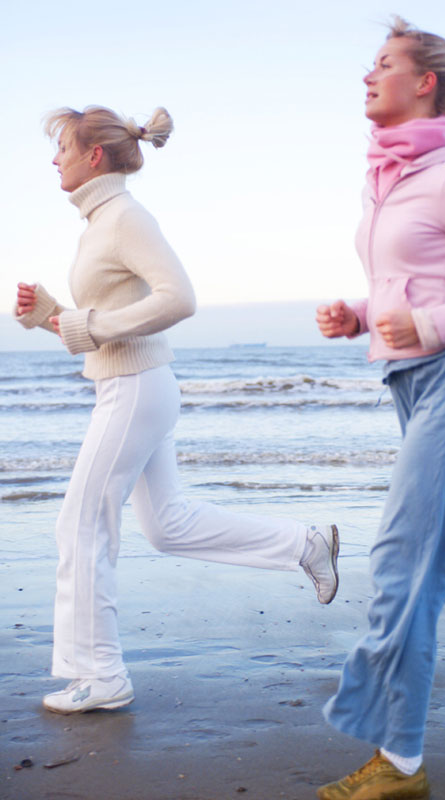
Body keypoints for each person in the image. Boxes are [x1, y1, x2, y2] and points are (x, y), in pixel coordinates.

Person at [15, 104, 339, 716]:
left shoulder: (124, 217)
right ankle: (305, 545)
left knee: (80, 526)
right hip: (136, 384)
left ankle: (101, 675)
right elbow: (107, 322)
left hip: (136, 387)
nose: (52, 158)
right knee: (168, 526)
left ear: (94, 156)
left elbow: (179, 298)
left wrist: (88, 323)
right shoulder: (100, 223)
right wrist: (52, 315)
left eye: (61, 147)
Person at [315, 16, 445, 800]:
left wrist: (431, 324)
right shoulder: (391, 180)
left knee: (402, 568)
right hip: (415, 386)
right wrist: (364, 315)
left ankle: (399, 761)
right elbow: (416, 287)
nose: (366, 77)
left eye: (382, 64)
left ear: (424, 82)